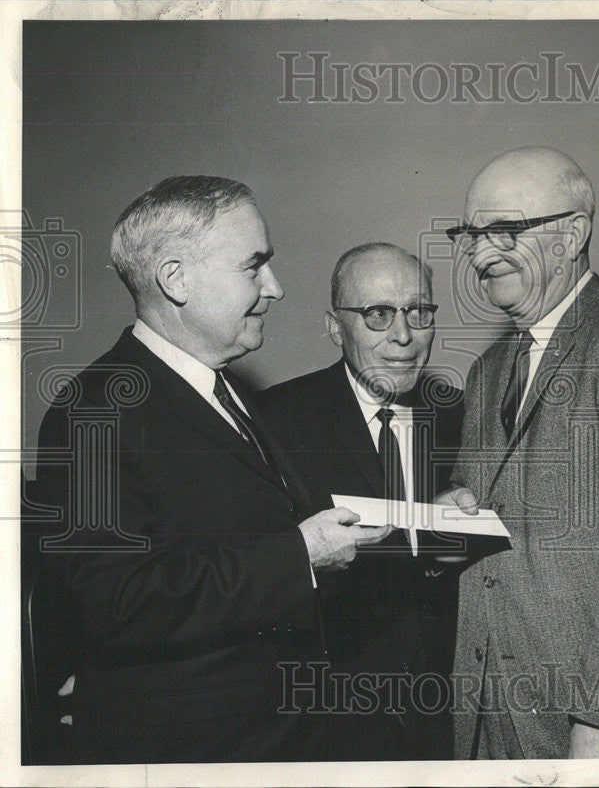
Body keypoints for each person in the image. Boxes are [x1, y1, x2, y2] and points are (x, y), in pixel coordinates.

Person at [27, 176, 390, 763]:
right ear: (176, 280)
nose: (275, 287)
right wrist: (298, 555)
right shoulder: (95, 408)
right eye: (253, 267)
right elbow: (110, 602)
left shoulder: (225, 391)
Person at [438, 147, 599, 759]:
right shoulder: (488, 368)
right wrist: (450, 508)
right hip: (485, 712)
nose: (478, 255)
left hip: (588, 722)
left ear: (572, 233)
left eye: (502, 231)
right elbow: (481, 506)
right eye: (470, 235)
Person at [258, 242, 464, 760]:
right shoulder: (274, 421)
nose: (403, 335)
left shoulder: (465, 419)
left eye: (419, 312)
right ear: (335, 328)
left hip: (454, 712)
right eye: (377, 314)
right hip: (326, 719)